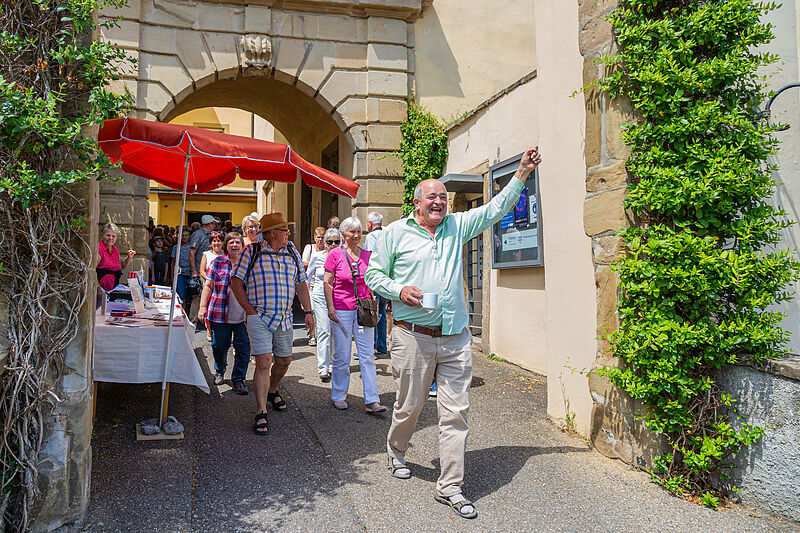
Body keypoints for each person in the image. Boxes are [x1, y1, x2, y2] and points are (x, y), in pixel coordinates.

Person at [364, 146, 542, 519]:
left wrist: (523, 172)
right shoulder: (394, 234)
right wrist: (400, 291)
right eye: (432, 196)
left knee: (455, 413)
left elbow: (495, 209)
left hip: (455, 336)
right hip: (412, 335)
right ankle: (396, 450)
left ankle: (450, 486)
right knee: (409, 405)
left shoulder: (457, 227)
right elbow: (373, 275)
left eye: (443, 197)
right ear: (416, 203)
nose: (440, 202)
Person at [230, 212, 314, 435]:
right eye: (285, 230)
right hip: (260, 317)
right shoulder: (253, 250)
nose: (288, 234)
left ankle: (273, 389)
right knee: (263, 362)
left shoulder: (292, 252)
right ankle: (261, 412)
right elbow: (236, 282)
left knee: (284, 360)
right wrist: (249, 310)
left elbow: (301, 283)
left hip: (285, 316)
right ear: (274, 232)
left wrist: (308, 311)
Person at [323, 216, 386, 414]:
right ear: (343, 234)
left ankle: (372, 400)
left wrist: (374, 304)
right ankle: (339, 395)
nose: (356, 235)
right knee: (342, 355)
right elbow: (328, 283)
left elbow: (372, 281)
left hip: (363, 309)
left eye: (359, 232)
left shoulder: (368, 255)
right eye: (352, 232)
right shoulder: (335, 254)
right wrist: (330, 307)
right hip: (341, 308)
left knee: (367, 355)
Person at [198, 232, 250, 395]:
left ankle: (238, 379)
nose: (235, 245)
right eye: (231, 242)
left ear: (242, 245)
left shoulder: (249, 264)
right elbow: (208, 286)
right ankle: (220, 369)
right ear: (226, 246)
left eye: (238, 242)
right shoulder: (218, 262)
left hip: (244, 315)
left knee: (243, 348)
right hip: (219, 313)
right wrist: (202, 307)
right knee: (219, 346)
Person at [305, 228, 339, 382]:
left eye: (336, 242)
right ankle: (322, 366)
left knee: (334, 331)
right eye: (330, 242)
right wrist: (306, 302)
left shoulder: (342, 257)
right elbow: (307, 277)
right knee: (324, 330)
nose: (333, 244)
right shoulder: (317, 257)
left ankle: (332, 363)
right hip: (319, 296)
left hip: (337, 298)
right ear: (325, 243)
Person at [362, 212, 387, 357]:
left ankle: (370, 348)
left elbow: (370, 258)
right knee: (381, 313)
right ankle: (382, 347)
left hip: (375, 280)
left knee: (370, 313)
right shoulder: (386, 234)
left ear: (370, 223)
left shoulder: (371, 237)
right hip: (386, 280)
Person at [302, 227, 327, 347]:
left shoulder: (328, 248)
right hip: (310, 284)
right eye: (318, 237)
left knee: (320, 313)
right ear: (314, 237)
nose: (320, 240)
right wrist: (316, 260)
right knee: (310, 310)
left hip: (323, 286)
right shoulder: (310, 247)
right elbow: (303, 262)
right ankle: (312, 335)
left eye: (322, 237)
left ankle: (320, 334)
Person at [189, 215, 215, 325]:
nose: (215, 226)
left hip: (207, 270)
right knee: (198, 297)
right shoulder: (198, 234)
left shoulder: (207, 235)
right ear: (210, 224)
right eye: (214, 223)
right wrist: (194, 270)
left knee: (205, 296)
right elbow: (191, 253)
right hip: (201, 270)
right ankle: (192, 322)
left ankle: (204, 322)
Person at [96, 222, 136, 291]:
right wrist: (97, 289)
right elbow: (93, 270)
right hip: (101, 291)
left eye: (113, 236)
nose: (110, 238)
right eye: (108, 235)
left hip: (113, 289)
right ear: (101, 235)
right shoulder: (99, 249)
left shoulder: (115, 250)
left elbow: (122, 266)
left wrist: (129, 258)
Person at [169, 228, 192, 305]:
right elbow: (173, 261)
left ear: (189, 236)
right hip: (179, 272)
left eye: (186, 235)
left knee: (191, 295)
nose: (184, 237)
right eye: (182, 235)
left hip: (190, 272)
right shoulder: (176, 247)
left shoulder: (192, 246)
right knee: (181, 294)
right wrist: (172, 275)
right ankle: (183, 312)